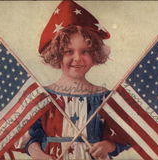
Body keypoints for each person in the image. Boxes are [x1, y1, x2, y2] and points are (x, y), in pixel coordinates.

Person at [23, 0, 130, 159]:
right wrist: (38, 154)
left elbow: (124, 136)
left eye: (85, 51)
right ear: (56, 54)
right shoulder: (44, 96)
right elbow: (29, 136)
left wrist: (108, 145)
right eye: (68, 51)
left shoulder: (104, 97)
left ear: (95, 54)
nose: (77, 58)